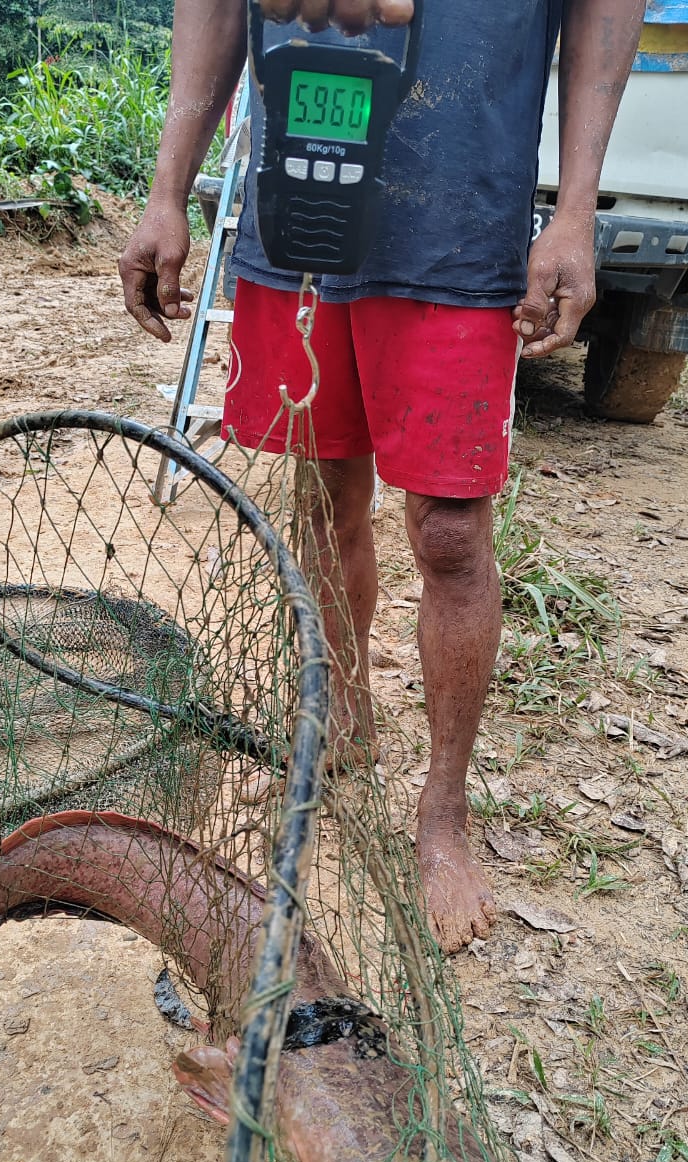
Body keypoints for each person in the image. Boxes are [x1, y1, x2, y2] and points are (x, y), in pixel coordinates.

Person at [119, 0, 646, 953]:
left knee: (450, 534)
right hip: (302, 208)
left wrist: (574, 213)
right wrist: (169, 188)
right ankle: (344, 717)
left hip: (463, 218)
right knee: (325, 494)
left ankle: (443, 811)